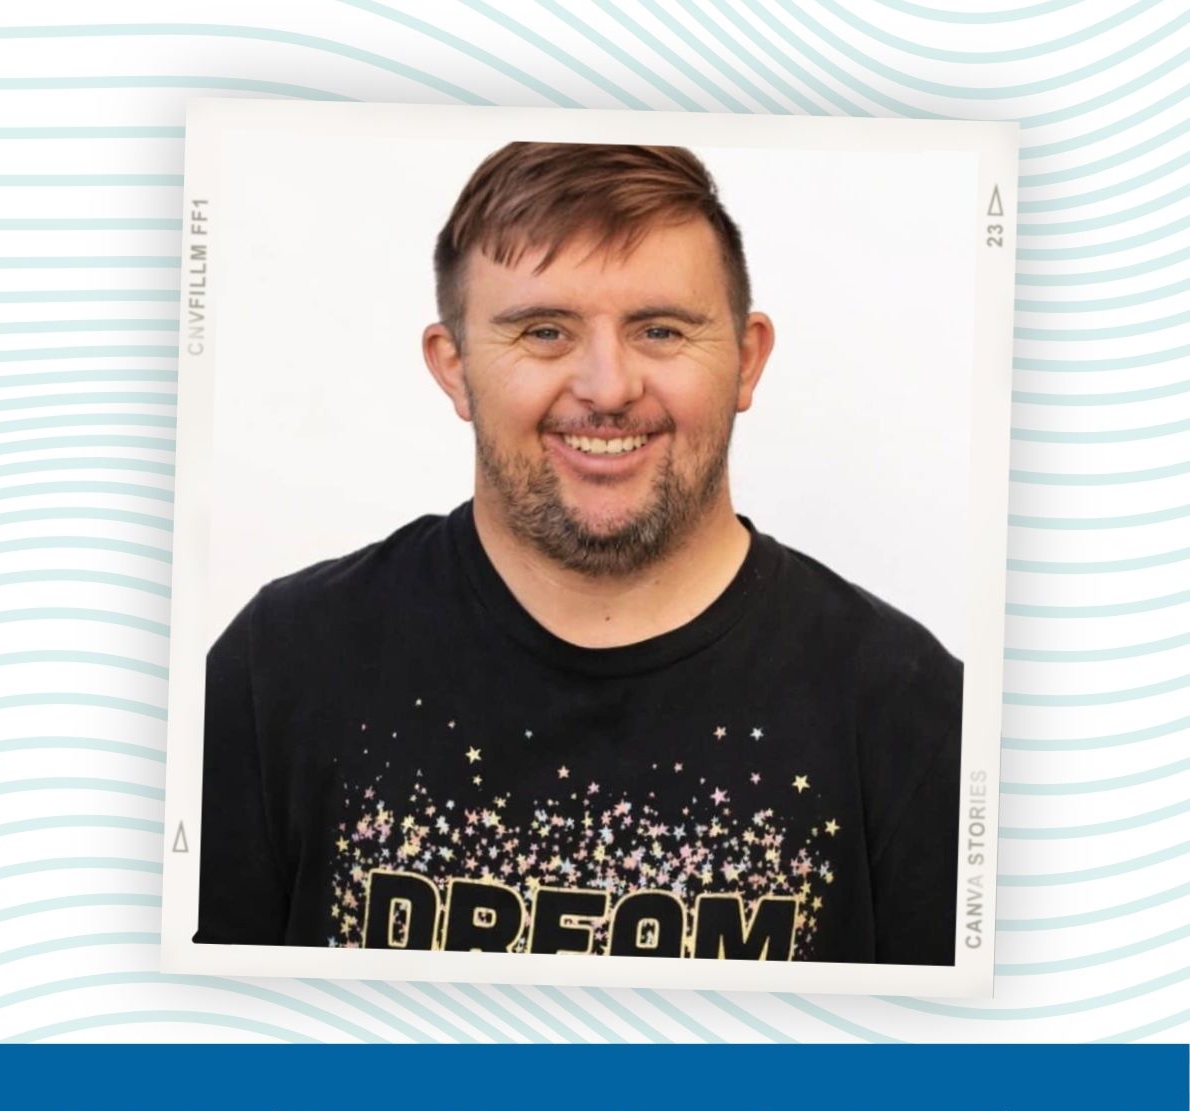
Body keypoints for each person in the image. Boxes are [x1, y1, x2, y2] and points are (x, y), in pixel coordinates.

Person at [195, 142, 961, 965]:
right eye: (545, 331)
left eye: (660, 330)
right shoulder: (281, 665)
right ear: (454, 369)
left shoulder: (908, 711)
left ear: (746, 359)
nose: (606, 387)